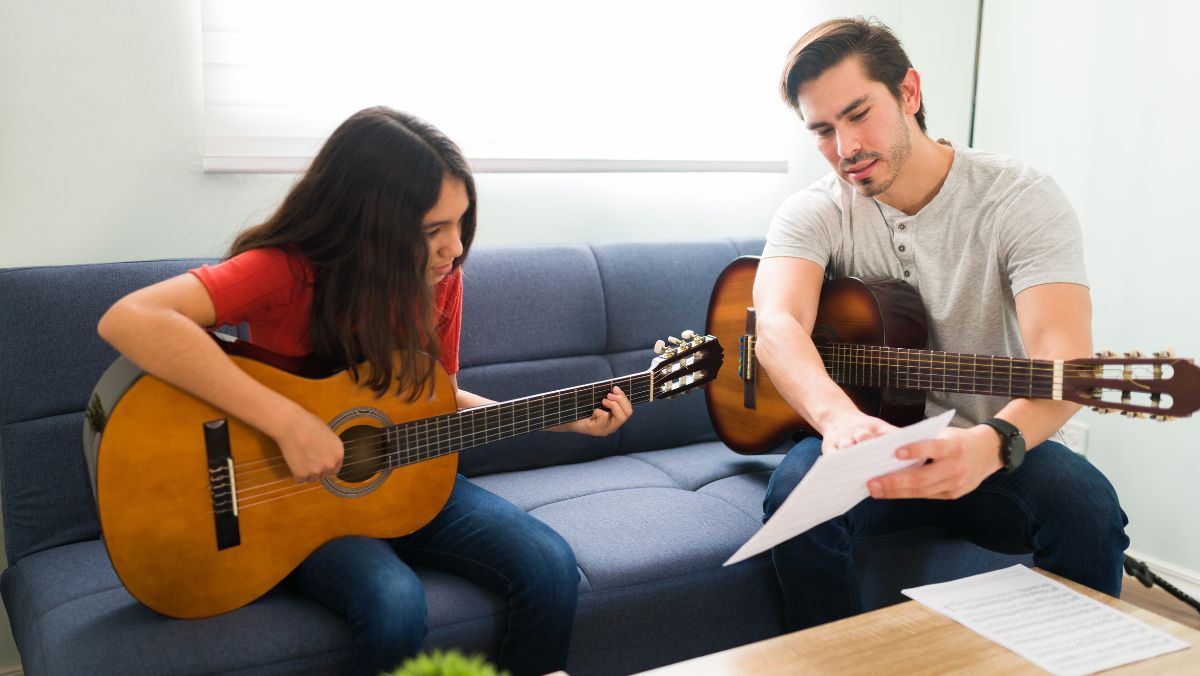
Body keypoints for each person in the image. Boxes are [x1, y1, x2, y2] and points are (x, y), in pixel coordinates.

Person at [97, 106, 633, 675]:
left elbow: (438, 398)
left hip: (409, 482)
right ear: (370, 223)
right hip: (290, 504)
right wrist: (288, 423)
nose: (454, 248)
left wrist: (561, 419)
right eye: (433, 231)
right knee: (392, 603)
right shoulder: (287, 272)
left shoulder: (439, 285)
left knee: (550, 566)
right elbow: (130, 318)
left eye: (461, 223)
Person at [753, 17, 1129, 631]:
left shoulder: (1020, 198)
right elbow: (777, 323)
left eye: (857, 113)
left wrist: (991, 445)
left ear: (909, 92)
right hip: (869, 441)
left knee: (1086, 505)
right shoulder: (813, 211)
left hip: (997, 443)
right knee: (797, 501)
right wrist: (838, 418)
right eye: (822, 130)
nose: (844, 148)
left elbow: (1067, 361)